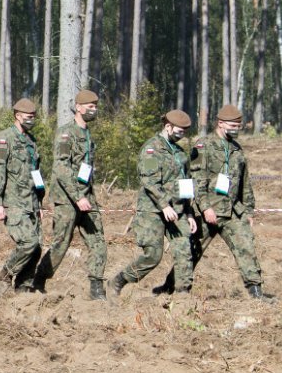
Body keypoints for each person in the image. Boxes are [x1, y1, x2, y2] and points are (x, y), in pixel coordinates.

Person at [178, 104, 272, 301]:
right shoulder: (203, 146)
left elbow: (245, 183)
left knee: (246, 248)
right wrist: (205, 208)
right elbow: (197, 180)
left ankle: (256, 293)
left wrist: (248, 211)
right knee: (190, 252)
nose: (236, 128)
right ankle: (175, 291)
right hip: (208, 211)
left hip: (232, 213)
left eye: (238, 125)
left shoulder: (237, 150)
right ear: (220, 124)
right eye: (232, 125)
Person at [110, 110, 198, 297]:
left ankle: (183, 294)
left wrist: (189, 212)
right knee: (153, 256)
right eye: (179, 130)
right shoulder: (151, 149)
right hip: (153, 211)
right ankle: (119, 280)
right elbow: (149, 181)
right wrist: (164, 205)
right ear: (168, 127)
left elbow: (186, 183)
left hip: (179, 211)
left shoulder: (181, 153)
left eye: (184, 131)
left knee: (184, 252)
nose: (182, 134)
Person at [36, 90, 108, 299]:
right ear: (78, 107)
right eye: (89, 106)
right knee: (61, 243)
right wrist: (77, 196)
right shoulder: (66, 133)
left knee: (98, 242)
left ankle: (96, 287)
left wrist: (87, 195)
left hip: (87, 197)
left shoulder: (88, 136)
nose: (93, 110)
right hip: (67, 199)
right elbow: (61, 169)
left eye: (95, 106)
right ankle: (38, 280)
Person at [0, 99, 45, 292]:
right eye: (28, 117)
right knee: (28, 242)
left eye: (33, 117)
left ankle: (24, 286)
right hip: (13, 204)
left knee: (37, 248)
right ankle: (5, 274)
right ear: (17, 115)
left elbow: (36, 173)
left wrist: (39, 204)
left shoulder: (31, 141)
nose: (31, 120)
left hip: (32, 203)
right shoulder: (5, 139)